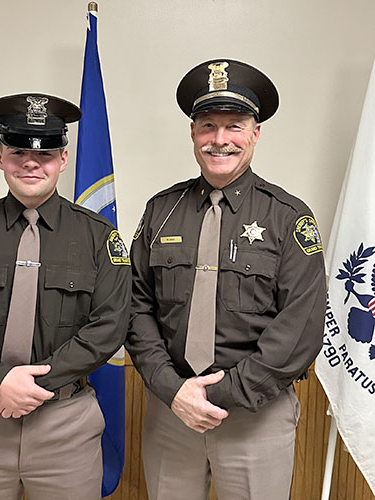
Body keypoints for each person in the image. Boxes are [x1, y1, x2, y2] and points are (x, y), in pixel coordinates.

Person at [126, 59, 326, 500]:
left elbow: (300, 328)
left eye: (234, 126)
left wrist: (224, 394)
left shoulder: (288, 217)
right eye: (208, 126)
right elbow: (135, 306)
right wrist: (171, 389)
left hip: (256, 417)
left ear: (255, 133)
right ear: (193, 133)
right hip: (171, 410)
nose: (220, 140)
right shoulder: (161, 211)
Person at [0, 93, 131, 500]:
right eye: (18, 150)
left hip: (65, 423)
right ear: (0, 156)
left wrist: (30, 386)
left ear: (64, 159)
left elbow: (110, 326)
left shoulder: (98, 236)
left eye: (47, 153)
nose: (31, 162)